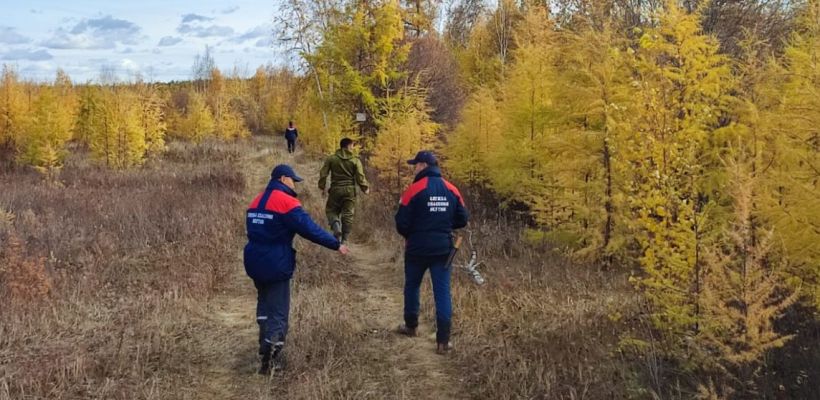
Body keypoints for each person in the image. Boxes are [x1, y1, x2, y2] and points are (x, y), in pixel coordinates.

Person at [244, 164, 350, 374]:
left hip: (253, 259)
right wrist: (335, 244)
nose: (295, 184)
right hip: (275, 262)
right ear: (283, 179)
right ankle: (271, 358)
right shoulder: (286, 202)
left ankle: (264, 345)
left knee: (264, 305)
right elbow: (309, 229)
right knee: (279, 311)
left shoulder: (257, 200)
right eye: (293, 180)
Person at [394, 150, 468, 354]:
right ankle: (443, 342)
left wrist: (414, 232)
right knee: (442, 292)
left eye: (415, 164)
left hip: (416, 248)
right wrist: (444, 225)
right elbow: (462, 218)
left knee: (412, 286)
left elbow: (401, 223)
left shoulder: (413, 190)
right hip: (443, 249)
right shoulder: (452, 189)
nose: (414, 168)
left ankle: (411, 326)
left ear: (423, 166)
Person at [318, 138, 370, 244]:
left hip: (335, 190)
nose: (353, 148)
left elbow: (323, 173)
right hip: (350, 191)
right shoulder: (355, 160)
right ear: (347, 146)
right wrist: (365, 188)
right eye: (352, 146)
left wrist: (321, 186)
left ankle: (336, 226)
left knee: (331, 210)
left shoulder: (331, 159)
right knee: (348, 214)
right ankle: (344, 239)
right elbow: (360, 177)